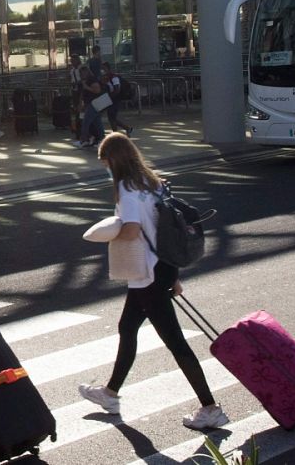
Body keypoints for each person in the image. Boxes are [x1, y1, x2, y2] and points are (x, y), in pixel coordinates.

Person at [78, 133, 229, 431]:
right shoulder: (153, 183)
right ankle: (110, 394)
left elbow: (132, 231)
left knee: (175, 342)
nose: (105, 168)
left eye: (105, 162)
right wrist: (173, 275)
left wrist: (108, 234)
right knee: (127, 327)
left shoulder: (126, 187)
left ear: (115, 160)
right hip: (160, 268)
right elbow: (167, 230)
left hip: (147, 273)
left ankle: (210, 407)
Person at [74, 65, 106, 149]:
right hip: (91, 103)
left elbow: (97, 90)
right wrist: (81, 103)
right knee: (97, 123)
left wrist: (87, 87)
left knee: (86, 122)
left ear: (87, 72)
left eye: (83, 73)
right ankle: (102, 140)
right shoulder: (85, 81)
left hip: (94, 103)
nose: (82, 74)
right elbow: (83, 93)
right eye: (80, 73)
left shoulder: (92, 80)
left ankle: (83, 140)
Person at [99, 62, 132, 135]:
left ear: (108, 68)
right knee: (111, 117)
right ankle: (125, 129)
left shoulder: (114, 77)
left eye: (103, 69)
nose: (102, 70)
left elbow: (117, 89)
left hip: (115, 99)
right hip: (110, 98)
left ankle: (119, 131)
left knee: (112, 117)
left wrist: (111, 97)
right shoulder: (105, 78)